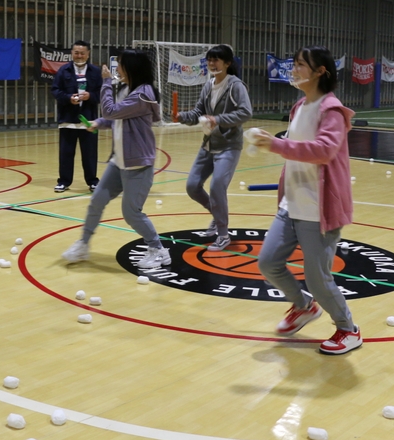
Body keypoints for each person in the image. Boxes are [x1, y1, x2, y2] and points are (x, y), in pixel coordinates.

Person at [253, 45, 360, 356]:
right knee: (268, 262)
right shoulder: (300, 106)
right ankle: (304, 306)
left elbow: (323, 151)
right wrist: (276, 143)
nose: (294, 69)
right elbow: (296, 147)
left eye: (300, 64)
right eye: (295, 63)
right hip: (292, 204)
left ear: (319, 72)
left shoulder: (332, 111)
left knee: (317, 279)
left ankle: (348, 329)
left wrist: (276, 145)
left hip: (318, 209)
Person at [62, 50, 171, 269]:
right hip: (119, 160)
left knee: (131, 213)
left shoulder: (143, 93)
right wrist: (98, 123)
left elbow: (111, 111)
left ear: (131, 67)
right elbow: (115, 118)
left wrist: (105, 83)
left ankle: (159, 250)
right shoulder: (127, 90)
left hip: (138, 163)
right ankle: (83, 244)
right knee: (97, 201)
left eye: (120, 64)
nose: (116, 68)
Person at [176, 45, 252, 252]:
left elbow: (245, 112)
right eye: (209, 60)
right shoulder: (208, 85)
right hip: (209, 144)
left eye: (216, 60)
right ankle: (217, 216)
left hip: (229, 145)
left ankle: (223, 235)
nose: (212, 63)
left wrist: (218, 119)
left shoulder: (235, 86)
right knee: (192, 186)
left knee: (217, 186)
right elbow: (198, 113)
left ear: (227, 63)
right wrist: (182, 117)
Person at [50, 40, 102, 193]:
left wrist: (90, 96)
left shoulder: (95, 71)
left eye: (82, 53)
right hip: (68, 120)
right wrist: (68, 98)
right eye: (76, 53)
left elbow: (102, 93)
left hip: (89, 121)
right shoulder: (63, 70)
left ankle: (93, 182)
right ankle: (64, 182)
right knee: (66, 154)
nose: (79, 56)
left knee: (90, 154)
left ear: (88, 54)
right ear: (72, 53)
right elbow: (55, 90)